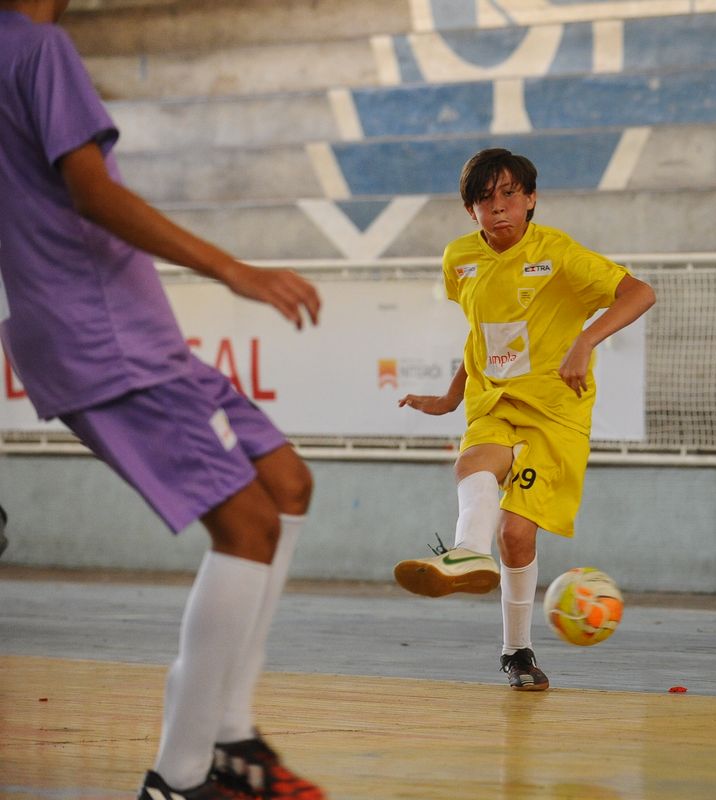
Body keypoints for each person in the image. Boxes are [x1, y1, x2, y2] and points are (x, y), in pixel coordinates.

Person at [0, 2, 325, 799]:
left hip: (116, 331)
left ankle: (231, 736)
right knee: (247, 524)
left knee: (286, 482)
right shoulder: (37, 46)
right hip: (105, 334)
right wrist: (233, 270)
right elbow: (91, 192)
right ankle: (180, 778)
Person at [394, 147, 655, 691]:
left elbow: (639, 293)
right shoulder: (459, 259)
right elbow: (480, 334)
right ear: (471, 211)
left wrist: (585, 341)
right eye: (485, 200)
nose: (499, 209)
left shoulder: (557, 253)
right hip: (494, 401)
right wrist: (448, 398)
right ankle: (467, 554)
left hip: (556, 411)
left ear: (531, 199)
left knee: (516, 535)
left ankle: (517, 651)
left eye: (510, 195)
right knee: (473, 463)